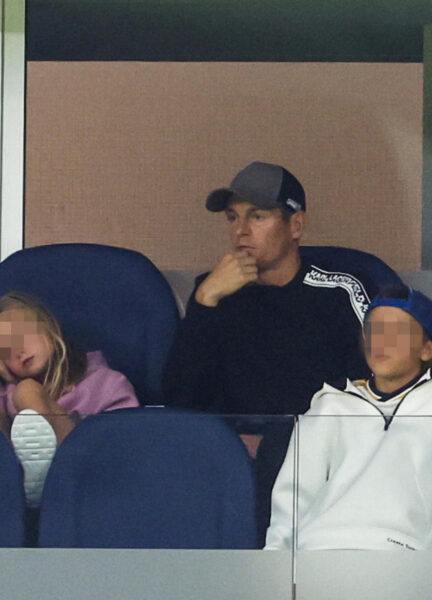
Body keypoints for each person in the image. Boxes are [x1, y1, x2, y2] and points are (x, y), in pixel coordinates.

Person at [162, 161, 377, 541]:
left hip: (324, 463)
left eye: (257, 216)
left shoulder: (340, 290)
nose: (240, 232)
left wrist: (290, 444)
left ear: (295, 226)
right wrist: (206, 301)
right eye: (232, 218)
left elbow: (379, 389)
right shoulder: (212, 291)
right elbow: (180, 400)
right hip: (227, 463)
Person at [0, 291, 139, 506]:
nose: (19, 350)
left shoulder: (104, 382)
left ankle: (47, 471)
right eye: (5, 350)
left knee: (28, 391)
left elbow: (126, 443)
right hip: (5, 492)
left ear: (49, 327)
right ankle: (10, 472)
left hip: (81, 481)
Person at [265, 284, 432, 551]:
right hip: (317, 552)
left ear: (427, 350)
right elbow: (293, 500)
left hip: (403, 559)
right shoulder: (330, 404)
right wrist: (276, 568)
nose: (380, 341)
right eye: (373, 331)